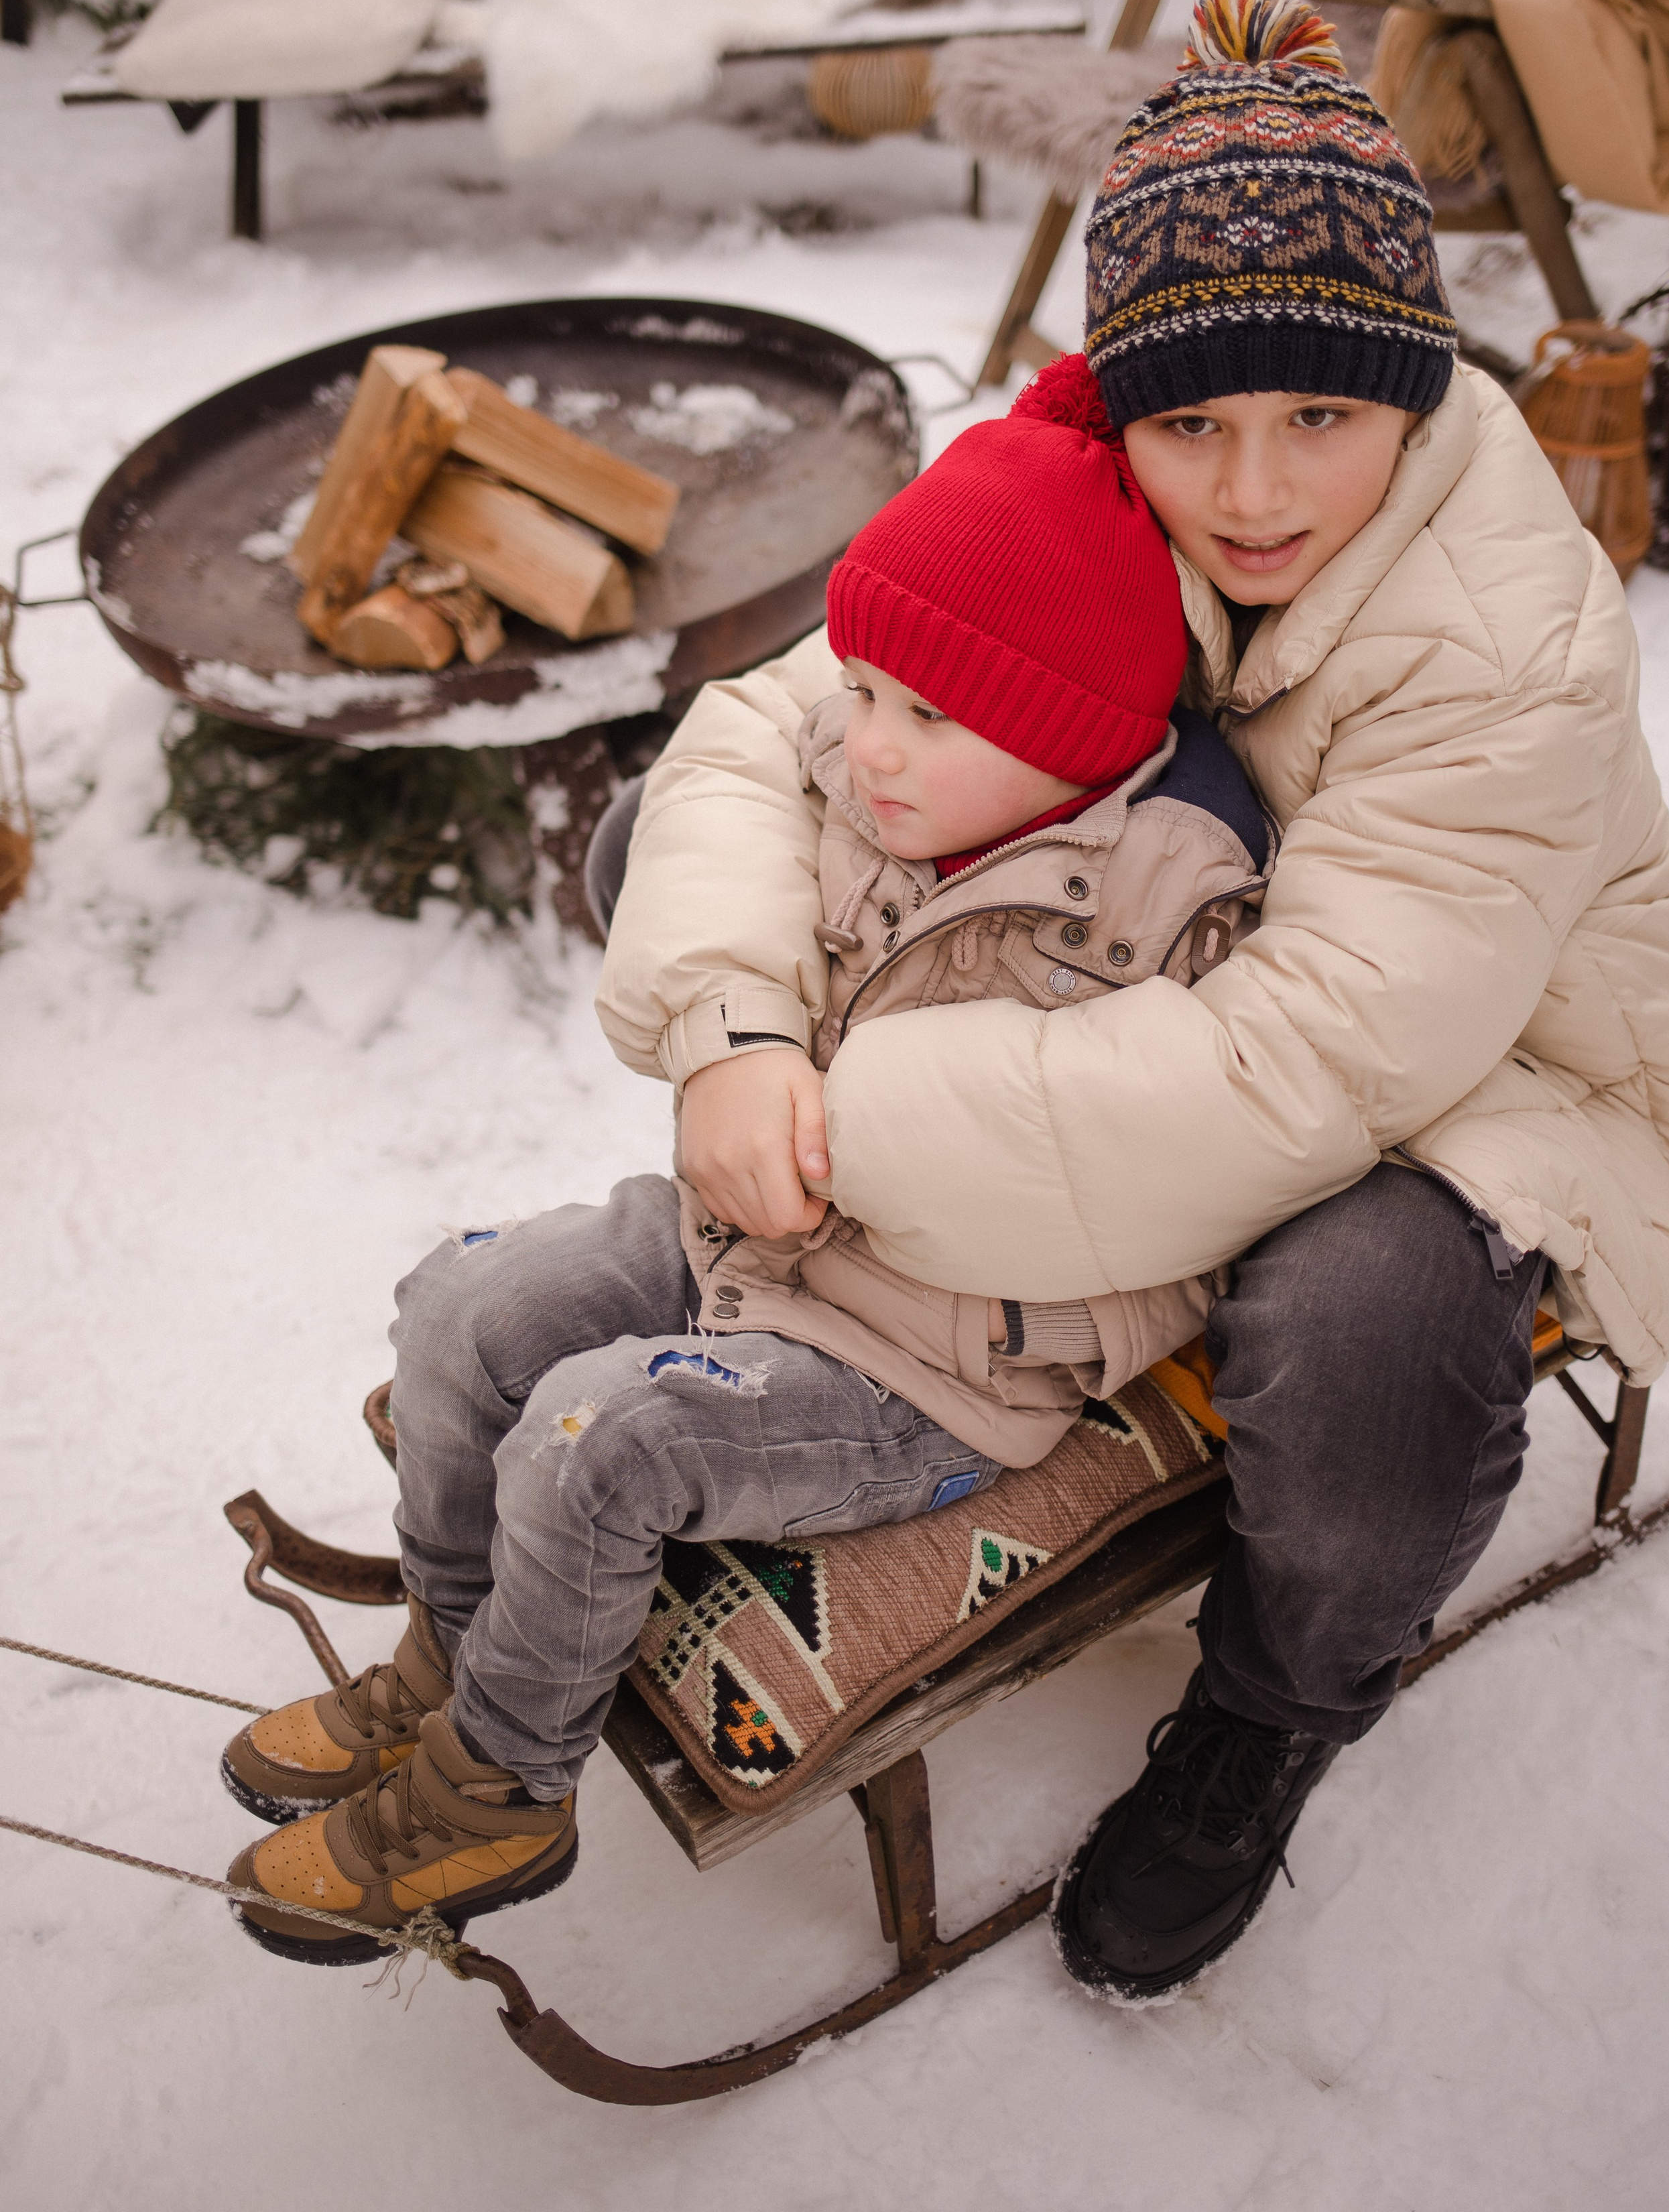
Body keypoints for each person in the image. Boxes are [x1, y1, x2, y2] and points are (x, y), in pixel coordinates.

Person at [590, 0, 1669, 2002]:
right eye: (1192, 423)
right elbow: (774, 724)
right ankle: (843, 1315)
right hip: (1159, 947)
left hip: (1479, 1074)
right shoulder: (1096, 474)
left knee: (1359, 1303)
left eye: (1323, 420)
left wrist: (843, 1124)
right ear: (1120, 407)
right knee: (688, 875)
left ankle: (1281, 1696)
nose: (1258, 492)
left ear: (1417, 393)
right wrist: (740, 1027)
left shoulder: (1504, 632)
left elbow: (1321, 1063)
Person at [218, 277, 1277, 1962]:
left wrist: (872, 1169)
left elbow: (1171, 1185)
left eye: (926, 718)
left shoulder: (1171, 919)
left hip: (930, 1361)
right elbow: (731, 842)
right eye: (862, 695)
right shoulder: (875, 781)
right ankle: (456, 1641)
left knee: (596, 1436)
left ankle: (494, 1793)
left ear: (1069, 742)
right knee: (463, 1306)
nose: (867, 748)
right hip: (749, 1247)